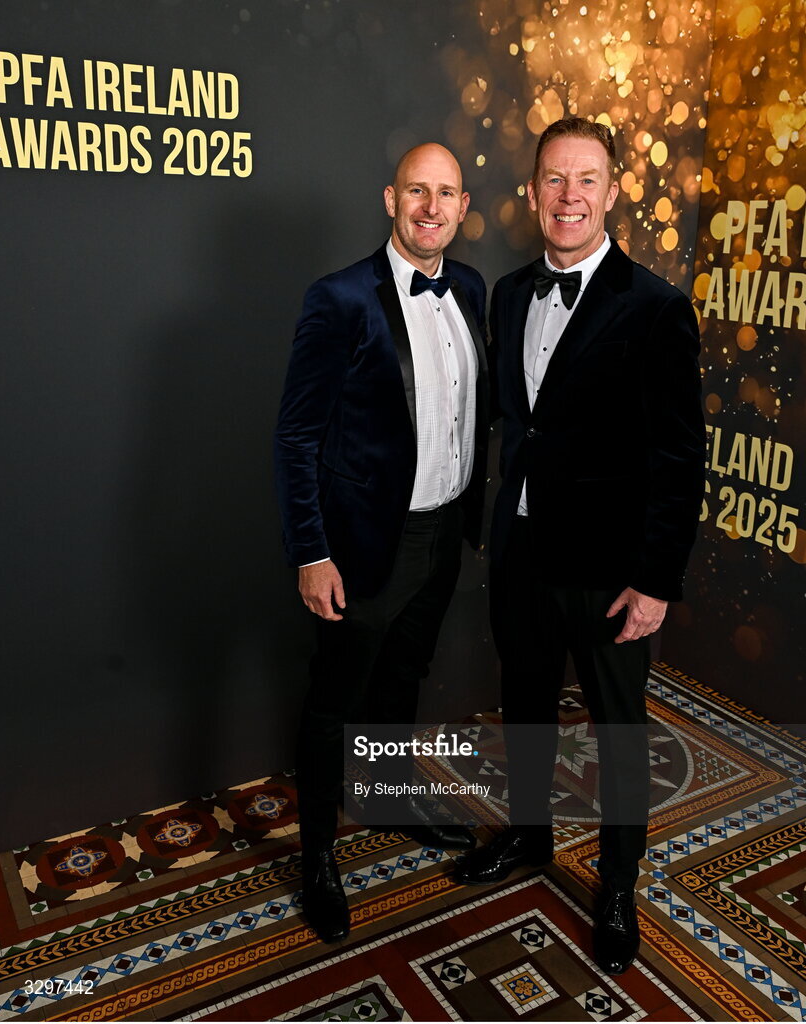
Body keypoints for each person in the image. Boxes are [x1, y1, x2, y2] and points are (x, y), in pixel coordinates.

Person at [454, 117, 704, 975]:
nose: (569, 197)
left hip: (611, 571)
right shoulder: (510, 293)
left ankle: (620, 882)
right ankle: (529, 835)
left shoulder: (659, 308)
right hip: (521, 552)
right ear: (532, 194)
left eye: (586, 179)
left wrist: (656, 581)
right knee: (523, 706)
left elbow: (680, 459)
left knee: (619, 731)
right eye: (554, 180)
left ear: (614, 189)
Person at [274, 143, 489, 944]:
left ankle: (390, 798)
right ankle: (319, 857)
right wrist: (311, 550)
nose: (430, 208)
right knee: (334, 704)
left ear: (463, 207)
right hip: (363, 544)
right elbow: (295, 437)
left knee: (404, 677)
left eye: (445, 195)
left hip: (441, 536)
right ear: (389, 199)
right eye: (415, 192)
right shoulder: (338, 299)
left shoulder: (468, 288)